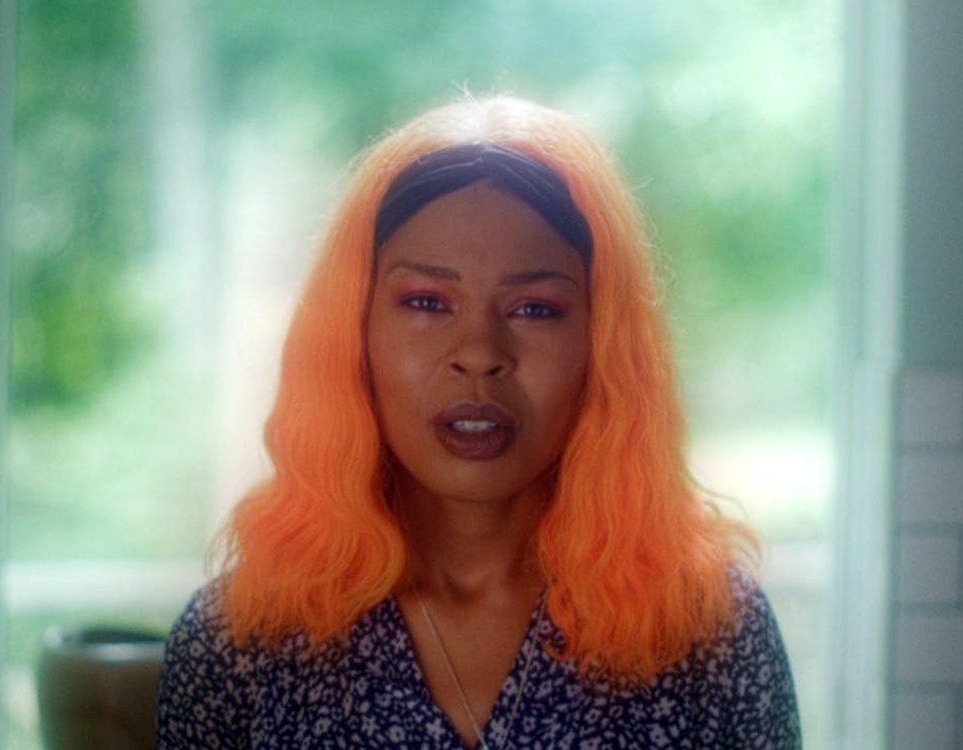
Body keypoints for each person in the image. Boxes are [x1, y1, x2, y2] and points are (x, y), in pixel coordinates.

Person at [157, 95, 801, 749]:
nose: (480, 354)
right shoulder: (237, 647)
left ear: (601, 346)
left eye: (535, 309)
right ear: (354, 332)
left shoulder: (711, 636)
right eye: (427, 301)